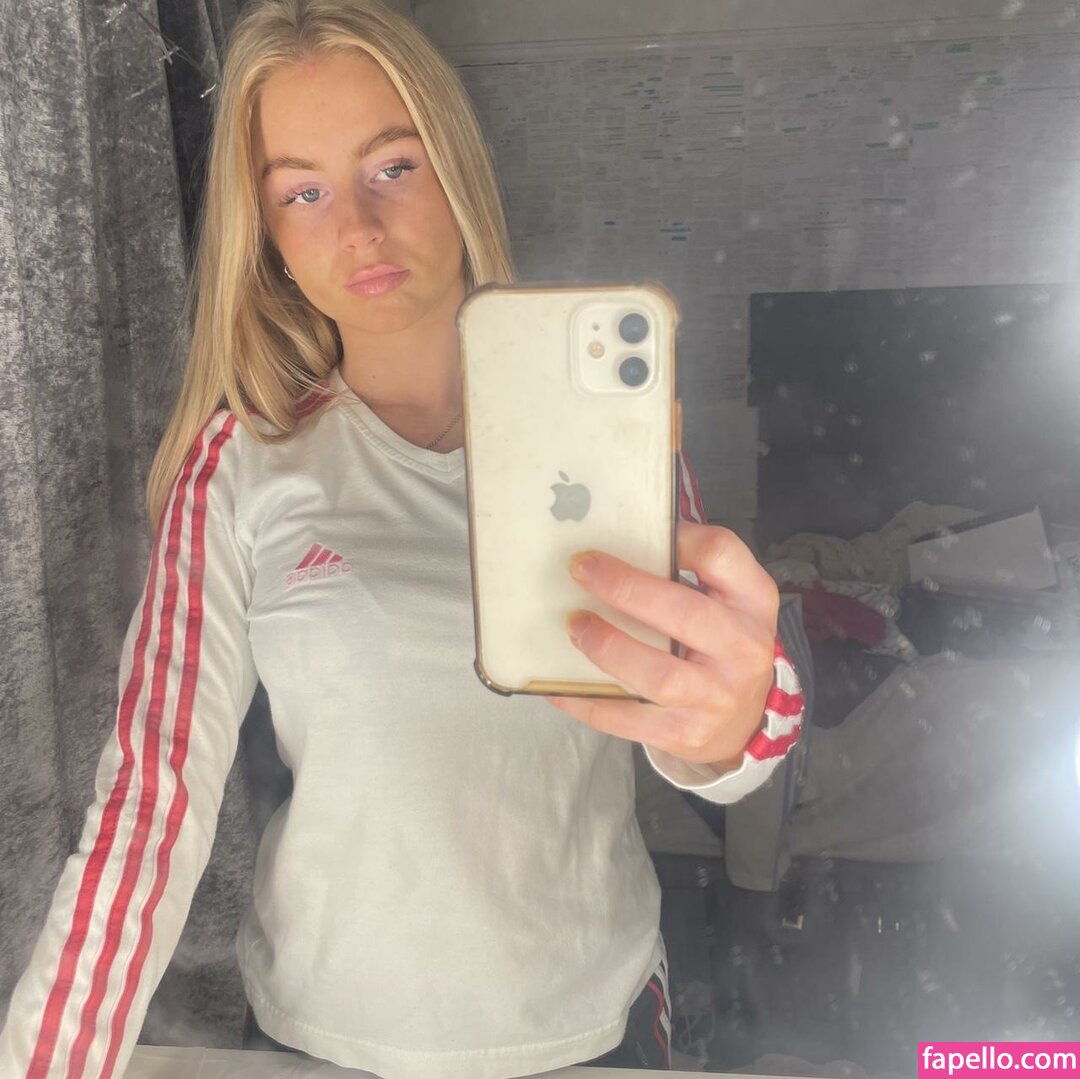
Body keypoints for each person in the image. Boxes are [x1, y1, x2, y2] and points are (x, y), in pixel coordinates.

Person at [0, 1, 803, 1076]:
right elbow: (151, 799)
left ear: (456, 169)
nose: (358, 230)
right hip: (320, 1034)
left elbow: (707, 731)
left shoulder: (606, 436)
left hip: (592, 1027)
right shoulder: (239, 464)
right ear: (267, 236)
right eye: (304, 192)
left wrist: (738, 720)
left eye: (393, 167)